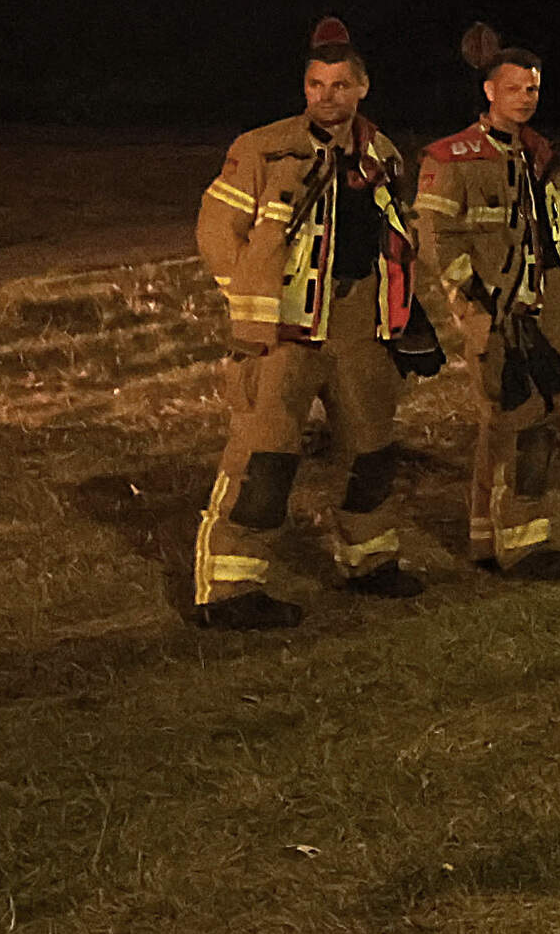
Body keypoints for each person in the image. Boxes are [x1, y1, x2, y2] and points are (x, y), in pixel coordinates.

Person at [183, 34, 442, 628]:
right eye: (315, 85)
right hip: (285, 331)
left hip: (359, 323)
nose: (327, 97)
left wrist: (407, 317)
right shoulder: (262, 149)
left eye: (340, 85)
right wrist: (249, 299)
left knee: (372, 448)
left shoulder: (382, 153)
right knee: (265, 456)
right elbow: (216, 232)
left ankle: (370, 561)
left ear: (362, 87)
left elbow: (396, 239)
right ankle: (230, 590)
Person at [414, 46, 560, 581]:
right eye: (513, 87)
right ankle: (523, 543)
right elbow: (436, 241)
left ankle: (485, 537)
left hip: (546, 309)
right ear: (488, 91)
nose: (524, 97)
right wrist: (481, 305)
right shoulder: (453, 158)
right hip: (493, 314)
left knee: (504, 421)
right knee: (525, 419)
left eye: (532, 88)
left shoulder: (541, 155)